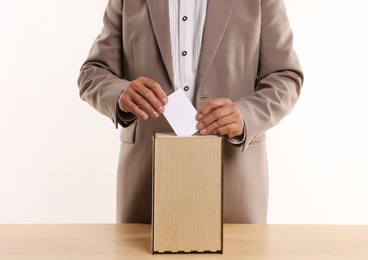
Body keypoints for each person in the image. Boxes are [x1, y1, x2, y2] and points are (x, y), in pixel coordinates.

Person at [78, 0, 303, 223]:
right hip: (146, 182)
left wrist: (246, 115)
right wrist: (121, 93)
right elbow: (93, 73)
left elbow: (285, 76)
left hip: (234, 180)